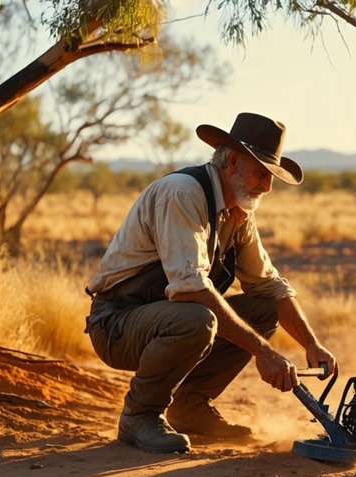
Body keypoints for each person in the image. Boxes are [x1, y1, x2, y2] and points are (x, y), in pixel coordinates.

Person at [85, 112, 337, 454]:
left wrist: (311, 344)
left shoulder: (239, 213)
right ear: (232, 161)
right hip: (117, 324)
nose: (266, 187)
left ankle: (189, 407)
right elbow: (190, 288)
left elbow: (269, 286)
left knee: (262, 309)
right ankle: (139, 417)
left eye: (271, 176)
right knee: (198, 320)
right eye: (261, 173)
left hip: (163, 320)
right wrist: (263, 352)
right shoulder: (182, 193)